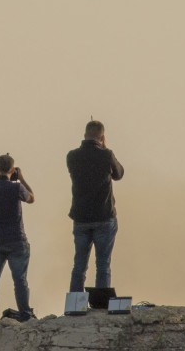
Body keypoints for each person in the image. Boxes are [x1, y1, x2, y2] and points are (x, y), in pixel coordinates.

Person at [67, 120, 124, 292]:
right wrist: (105, 149)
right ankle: (100, 304)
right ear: (102, 137)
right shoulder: (106, 155)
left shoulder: (72, 156)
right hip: (104, 217)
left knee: (79, 265)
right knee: (103, 264)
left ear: (84, 135)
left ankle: (75, 302)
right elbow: (119, 174)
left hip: (81, 218)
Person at [0, 154, 35, 325]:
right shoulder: (16, 188)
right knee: (20, 281)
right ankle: (26, 316)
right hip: (16, 240)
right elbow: (31, 198)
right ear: (12, 170)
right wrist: (21, 179)